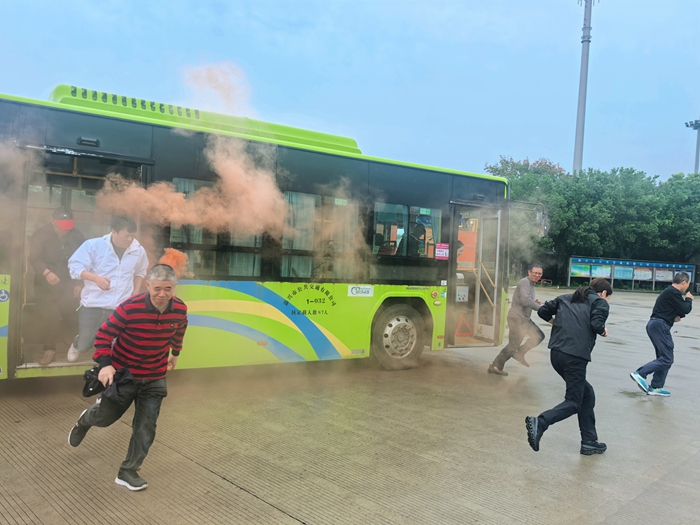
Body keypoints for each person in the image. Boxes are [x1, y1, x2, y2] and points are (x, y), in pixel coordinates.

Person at [67, 264, 188, 491]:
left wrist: (176, 353)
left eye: (168, 289)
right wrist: (105, 365)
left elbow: (180, 329)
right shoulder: (130, 308)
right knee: (105, 419)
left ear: (174, 287)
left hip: (155, 376)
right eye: (157, 288)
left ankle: (128, 471)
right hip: (125, 375)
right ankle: (86, 419)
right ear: (148, 286)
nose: (162, 294)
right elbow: (103, 335)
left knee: (146, 426)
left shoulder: (180, 309)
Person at [525, 278, 612, 455]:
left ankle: (589, 441)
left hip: (556, 354)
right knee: (574, 402)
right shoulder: (600, 303)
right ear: (604, 293)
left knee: (587, 394)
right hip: (575, 357)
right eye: (608, 297)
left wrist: (555, 322)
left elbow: (542, 311)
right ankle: (541, 422)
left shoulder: (566, 297)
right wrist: (603, 331)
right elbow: (596, 325)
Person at [66, 216, 149, 363]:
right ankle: (79, 342)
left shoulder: (138, 250)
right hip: (93, 304)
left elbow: (140, 272)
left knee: (116, 345)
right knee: (85, 344)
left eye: (132, 236)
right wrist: (96, 279)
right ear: (113, 232)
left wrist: (135, 292)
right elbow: (75, 267)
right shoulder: (93, 245)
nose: (130, 239)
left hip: (120, 306)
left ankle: (107, 368)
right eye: (126, 236)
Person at [28, 207, 85, 365]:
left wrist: (79, 283)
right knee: (49, 315)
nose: (64, 230)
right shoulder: (41, 234)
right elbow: (33, 257)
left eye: (67, 226)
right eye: (61, 226)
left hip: (69, 282)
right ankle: (49, 349)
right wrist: (46, 272)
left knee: (71, 313)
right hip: (45, 282)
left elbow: (84, 260)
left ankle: (71, 343)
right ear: (52, 221)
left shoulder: (78, 236)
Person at [630, 272, 693, 397]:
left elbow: (680, 312)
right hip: (659, 325)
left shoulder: (670, 292)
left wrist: (674, 316)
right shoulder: (673, 292)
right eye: (688, 284)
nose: (688, 287)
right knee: (667, 358)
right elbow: (685, 309)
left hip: (657, 325)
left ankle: (656, 386)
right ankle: (641, 373)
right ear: (684, 282)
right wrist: (689, 299)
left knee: (664, 357)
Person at [488, 263, 545, 376]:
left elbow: (525, 300)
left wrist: (534, 302)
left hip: (524, 319)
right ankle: (496, 366)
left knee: (538, 336)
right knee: (514, 344)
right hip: (517, 318)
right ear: (529, 272)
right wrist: (541, 309)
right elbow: (526, 301)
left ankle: (519, 354)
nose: (537, 275)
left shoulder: (530, 284)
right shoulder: (524, 282)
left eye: (539, 273)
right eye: (535, 273)